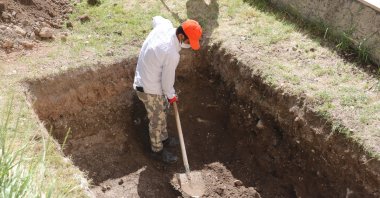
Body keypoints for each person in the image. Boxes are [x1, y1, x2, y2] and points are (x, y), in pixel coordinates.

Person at [133, 16, 202, 164]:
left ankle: (164, 138)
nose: (189, 45)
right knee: (157, 118)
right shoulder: (171, 54)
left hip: (148, 76)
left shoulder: (165, 26)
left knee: (163, 108)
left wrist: (168, 96)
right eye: (189, 42)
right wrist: (171, 95)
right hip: (148, 87)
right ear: (181, 35)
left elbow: (156, 18)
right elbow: (166, 82)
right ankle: (157, 150)